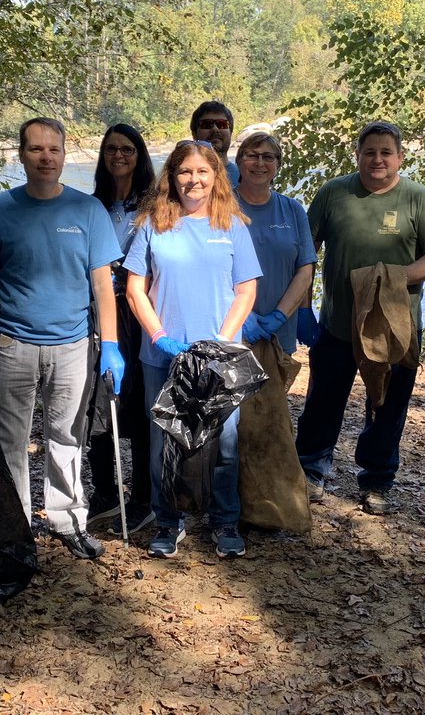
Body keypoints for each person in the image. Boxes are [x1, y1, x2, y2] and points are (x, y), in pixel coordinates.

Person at [0, 117, 124, 561]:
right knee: (10, 439)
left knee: (67, 436)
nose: (45, 157)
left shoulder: (87, 211)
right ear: (21, 154)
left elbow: (102, 285)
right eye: (36, 149)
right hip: (10, 342)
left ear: (64, 155)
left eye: (53, 150)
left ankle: (67, 518)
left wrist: (111, 345)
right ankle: (14, 525)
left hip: (73, 344)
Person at [294, 120, 425, 515]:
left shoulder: (418, 198)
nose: (377, 159)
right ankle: (311, 470)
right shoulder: (334, 193)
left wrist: (398, 275)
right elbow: (307, 250)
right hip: (337, 324)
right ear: (358, 155)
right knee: (322, 401)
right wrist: (302, 307)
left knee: (387, 406)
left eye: (386, 152)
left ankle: (377, 479)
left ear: (400, 156)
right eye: (370, 152)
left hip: (394, 328)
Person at [124, 139, 261, 558]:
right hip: (164, 356)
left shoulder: (232, 226)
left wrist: (223, 339)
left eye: (203, 171)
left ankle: (224, 522)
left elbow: (246, 289)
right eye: (185, 171)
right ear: (173, 176)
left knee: (224, 443)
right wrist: (160, 336)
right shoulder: (153, 224)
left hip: (218, 357)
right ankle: (168, 521)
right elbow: (134, 288)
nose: (193, 179)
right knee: (163, 441)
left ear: (216, 177)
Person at [84, 124, 156, 536]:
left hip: (139, 308)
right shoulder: (90, 204)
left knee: (141, 400)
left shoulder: (154, 204)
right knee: (99, 399)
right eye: (111, 149)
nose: (118, 155)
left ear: (139, 154)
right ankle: (106, 492)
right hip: (97, 310)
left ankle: (144, 495)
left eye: (127, 149)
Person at [234, 132, 317, 356]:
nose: (260, 163)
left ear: (278, 165)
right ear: (239, 161)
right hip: (230, 329)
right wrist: (241, 315)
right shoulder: (220, 208)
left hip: (279, 334)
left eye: (268, 157)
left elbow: (305, 270)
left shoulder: (293, 209)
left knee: (274, 392)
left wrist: (279, 316)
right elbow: (207, 270)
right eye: (252, 155)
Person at [191, 100, 239, 187]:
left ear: (231, 132)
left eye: (222, 124)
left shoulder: (246, 178)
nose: (215, 129)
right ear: (194, 133)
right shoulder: (184, 178)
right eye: (207, 124)